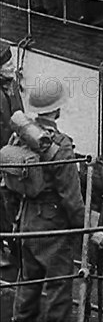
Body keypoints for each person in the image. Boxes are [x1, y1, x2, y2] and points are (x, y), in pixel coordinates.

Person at [0, 80, 85, 321]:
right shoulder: (61, 145)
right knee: (58, 287)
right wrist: (87, 231)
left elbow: (7, 187)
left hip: (26, 221)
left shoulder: (18, 139)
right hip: (53, 226)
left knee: (28, 282)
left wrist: (16, 220)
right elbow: (72, 198)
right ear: (57, 110)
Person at [0, 44, 23, 268]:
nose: (12, 66)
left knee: (11, 200)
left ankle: (14, 244)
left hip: (13, 151)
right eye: (7, 64)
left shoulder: (12, 87)